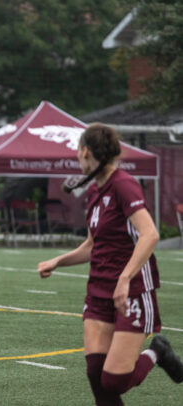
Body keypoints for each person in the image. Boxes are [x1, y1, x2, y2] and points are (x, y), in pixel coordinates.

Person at [37, 124, 183, 405]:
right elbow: (92, 247)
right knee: (96, 375)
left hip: (133, 292)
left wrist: (125, 278)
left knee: (113, 381)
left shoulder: (123, 184)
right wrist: (58, 261)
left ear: (86, 152)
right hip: (98, 292)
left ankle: (157, 353)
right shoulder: (94, 191)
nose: (78, 160)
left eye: (78, 153)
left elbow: (150, 234)